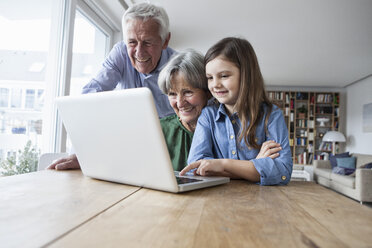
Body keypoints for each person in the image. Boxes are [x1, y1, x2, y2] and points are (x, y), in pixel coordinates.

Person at [48, 3, 175, 170]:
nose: (139, 52)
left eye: (147, 42)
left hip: (169, 154)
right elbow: (89, 98)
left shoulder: (179, 66)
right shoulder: (121, 53)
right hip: (125, 149)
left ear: (165, 40)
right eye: (132, 42)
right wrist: (84, 153)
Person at [180, 37, 293, 185]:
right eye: (209, 78)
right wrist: (254, 166)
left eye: (224, 76)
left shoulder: (272, 115)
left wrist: (223, 165)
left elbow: (282, 172)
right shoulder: (208, 116)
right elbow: (195, 168)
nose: (215, 85)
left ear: (246, 75)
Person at [158, 49, 283, 171]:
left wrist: (249, 168)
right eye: (172, 94)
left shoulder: (226, 125)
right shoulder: (159, 129)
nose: (180, 103)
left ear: (208, 92)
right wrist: (256, 166)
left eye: (188, 92)